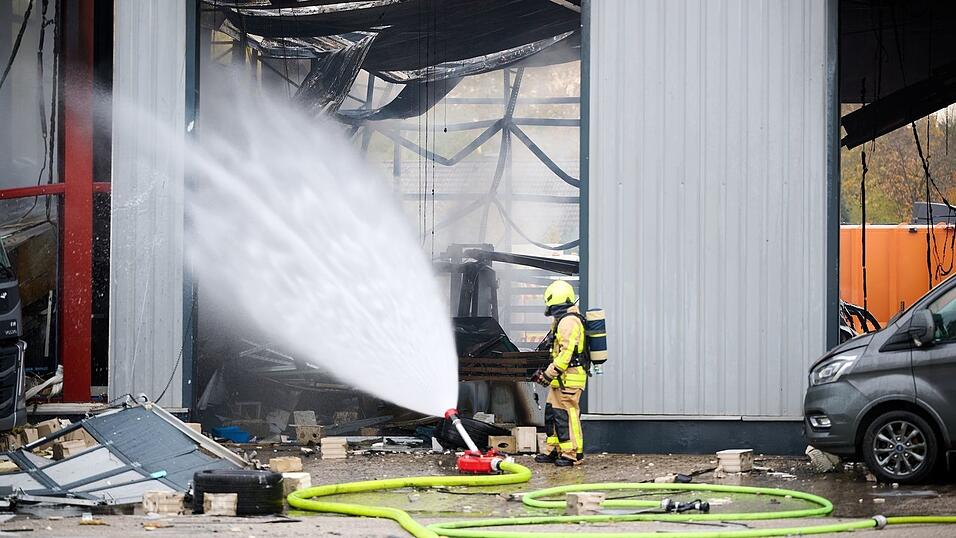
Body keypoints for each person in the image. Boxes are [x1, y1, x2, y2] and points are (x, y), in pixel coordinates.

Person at [531, 280, 586, 466]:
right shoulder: (562, 321)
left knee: (567, 415)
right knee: (552, 415)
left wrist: (547, 373)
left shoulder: (569, 322)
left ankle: (573, 454)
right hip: (560, 378)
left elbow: (566, 354)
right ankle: (553, 450)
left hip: (569, 378)